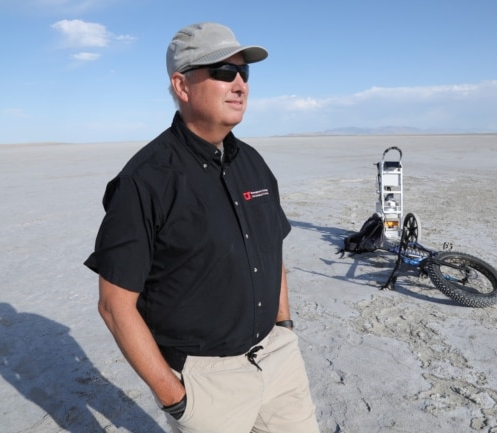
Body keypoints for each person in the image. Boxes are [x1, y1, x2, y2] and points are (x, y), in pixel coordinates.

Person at [84, 22, 320, 433]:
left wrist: (283, 327)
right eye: (224, 72)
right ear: (182, 85)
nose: (240, 84)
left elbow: (272, 250)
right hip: (208, 383)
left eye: (244, 73)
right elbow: (114, 305)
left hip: (279, 362)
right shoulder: (145, 180)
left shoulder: (254, 164)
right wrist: (176, 399)